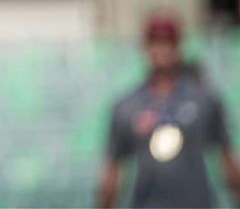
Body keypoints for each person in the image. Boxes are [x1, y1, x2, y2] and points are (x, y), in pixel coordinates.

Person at [98, 12, 240, 208]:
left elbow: (226, 157)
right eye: (155, 42)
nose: (161, 50)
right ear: (145, 48)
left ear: (178, 46)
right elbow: (113, 168)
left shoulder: (204, 99)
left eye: (167, 42)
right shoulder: (128, 106)